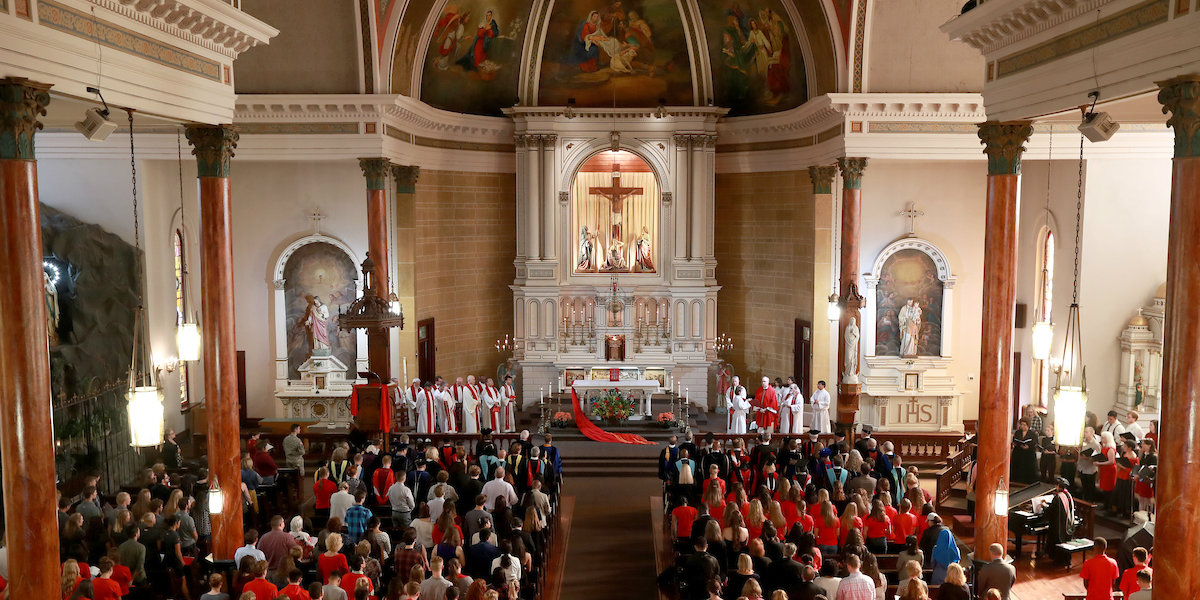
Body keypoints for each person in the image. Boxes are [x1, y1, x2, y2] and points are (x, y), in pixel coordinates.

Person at [1010, 418, 1038, 484]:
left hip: (1028, 453)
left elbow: (1035, 443)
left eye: (1024, 425)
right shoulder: (1018, 432)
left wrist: (1028, 446)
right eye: (1021, 424)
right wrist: (1016, 444)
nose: (1022, 426)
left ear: (1028, 425)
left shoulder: (1032, 433)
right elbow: (1015, 440)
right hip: (1019, 451)